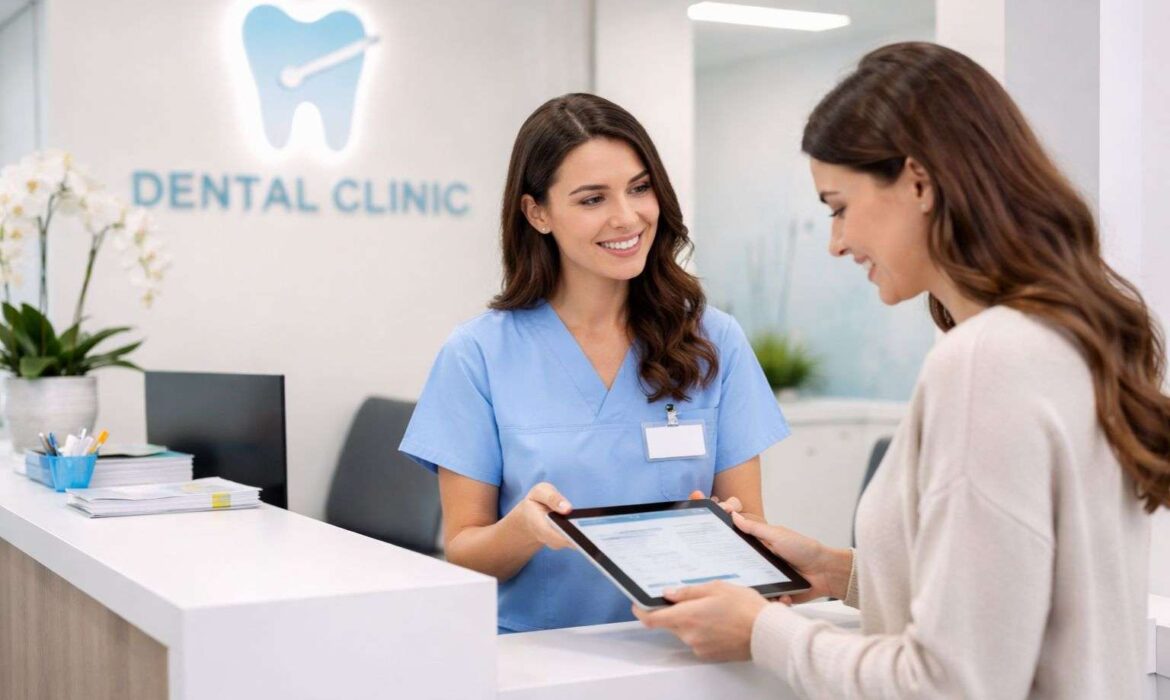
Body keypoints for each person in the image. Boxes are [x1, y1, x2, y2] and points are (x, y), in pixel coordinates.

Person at [634, 42, 1170, 699]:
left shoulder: (984, 361)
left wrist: (760, 633)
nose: (834, 242)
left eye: (838, 206)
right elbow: (1018, 605)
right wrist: (836, 572)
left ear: (918, 181)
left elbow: (951, 684)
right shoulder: (1071, 339)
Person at [399, 93, 790, 633]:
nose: (626, 217)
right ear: (537, 212)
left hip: (686, 652)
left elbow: (749, 526)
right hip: (537, 662)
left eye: (639, 188)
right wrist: (525, 529)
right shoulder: (477, 356)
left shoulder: (714, 340)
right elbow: (464, 552)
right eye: (591, 199)